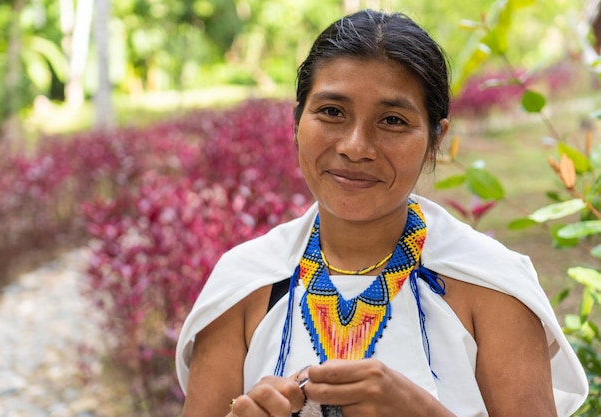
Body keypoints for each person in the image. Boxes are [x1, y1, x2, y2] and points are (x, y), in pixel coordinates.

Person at [175, 9, 588, 417]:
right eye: (332, 112)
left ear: (434, 140)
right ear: (297, 121)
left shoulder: (491, 286)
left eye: (392, 120)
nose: (356, 147)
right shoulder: (245, 283)